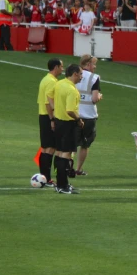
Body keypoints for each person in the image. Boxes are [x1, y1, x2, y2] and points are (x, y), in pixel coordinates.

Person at [52, 64, 84, 194]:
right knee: (65, 154)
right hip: (68, 124)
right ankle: (62, 186)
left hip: (58, 121)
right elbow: (70, 110)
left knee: (59, 153)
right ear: (75, 74)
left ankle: (60, 184)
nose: (82, 76)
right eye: (81, 74)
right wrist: (79, 120)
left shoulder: (59, 84)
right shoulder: (72, 90)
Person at [74, 55, 103, 176]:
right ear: (88, 64)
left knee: (72, 145)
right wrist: (100, 96)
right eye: (94, 64)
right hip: (89, 116)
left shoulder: (73, 75)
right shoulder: (94, 78)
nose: (95, 67)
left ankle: (67, 168)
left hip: (74, 114)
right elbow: (95, 98)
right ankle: (78, 169)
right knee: (85, 145)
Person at [37, 58, 63, 186]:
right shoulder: (52, 82)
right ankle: (46, 179)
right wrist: (53, 119)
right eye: (61, 66)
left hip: (43, 115)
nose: (62, 69)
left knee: (46, 148)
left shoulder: (45, 79)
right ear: (56, 67)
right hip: (48, 116)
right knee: (50, 148)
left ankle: (43, 178)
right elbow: (48, 102)